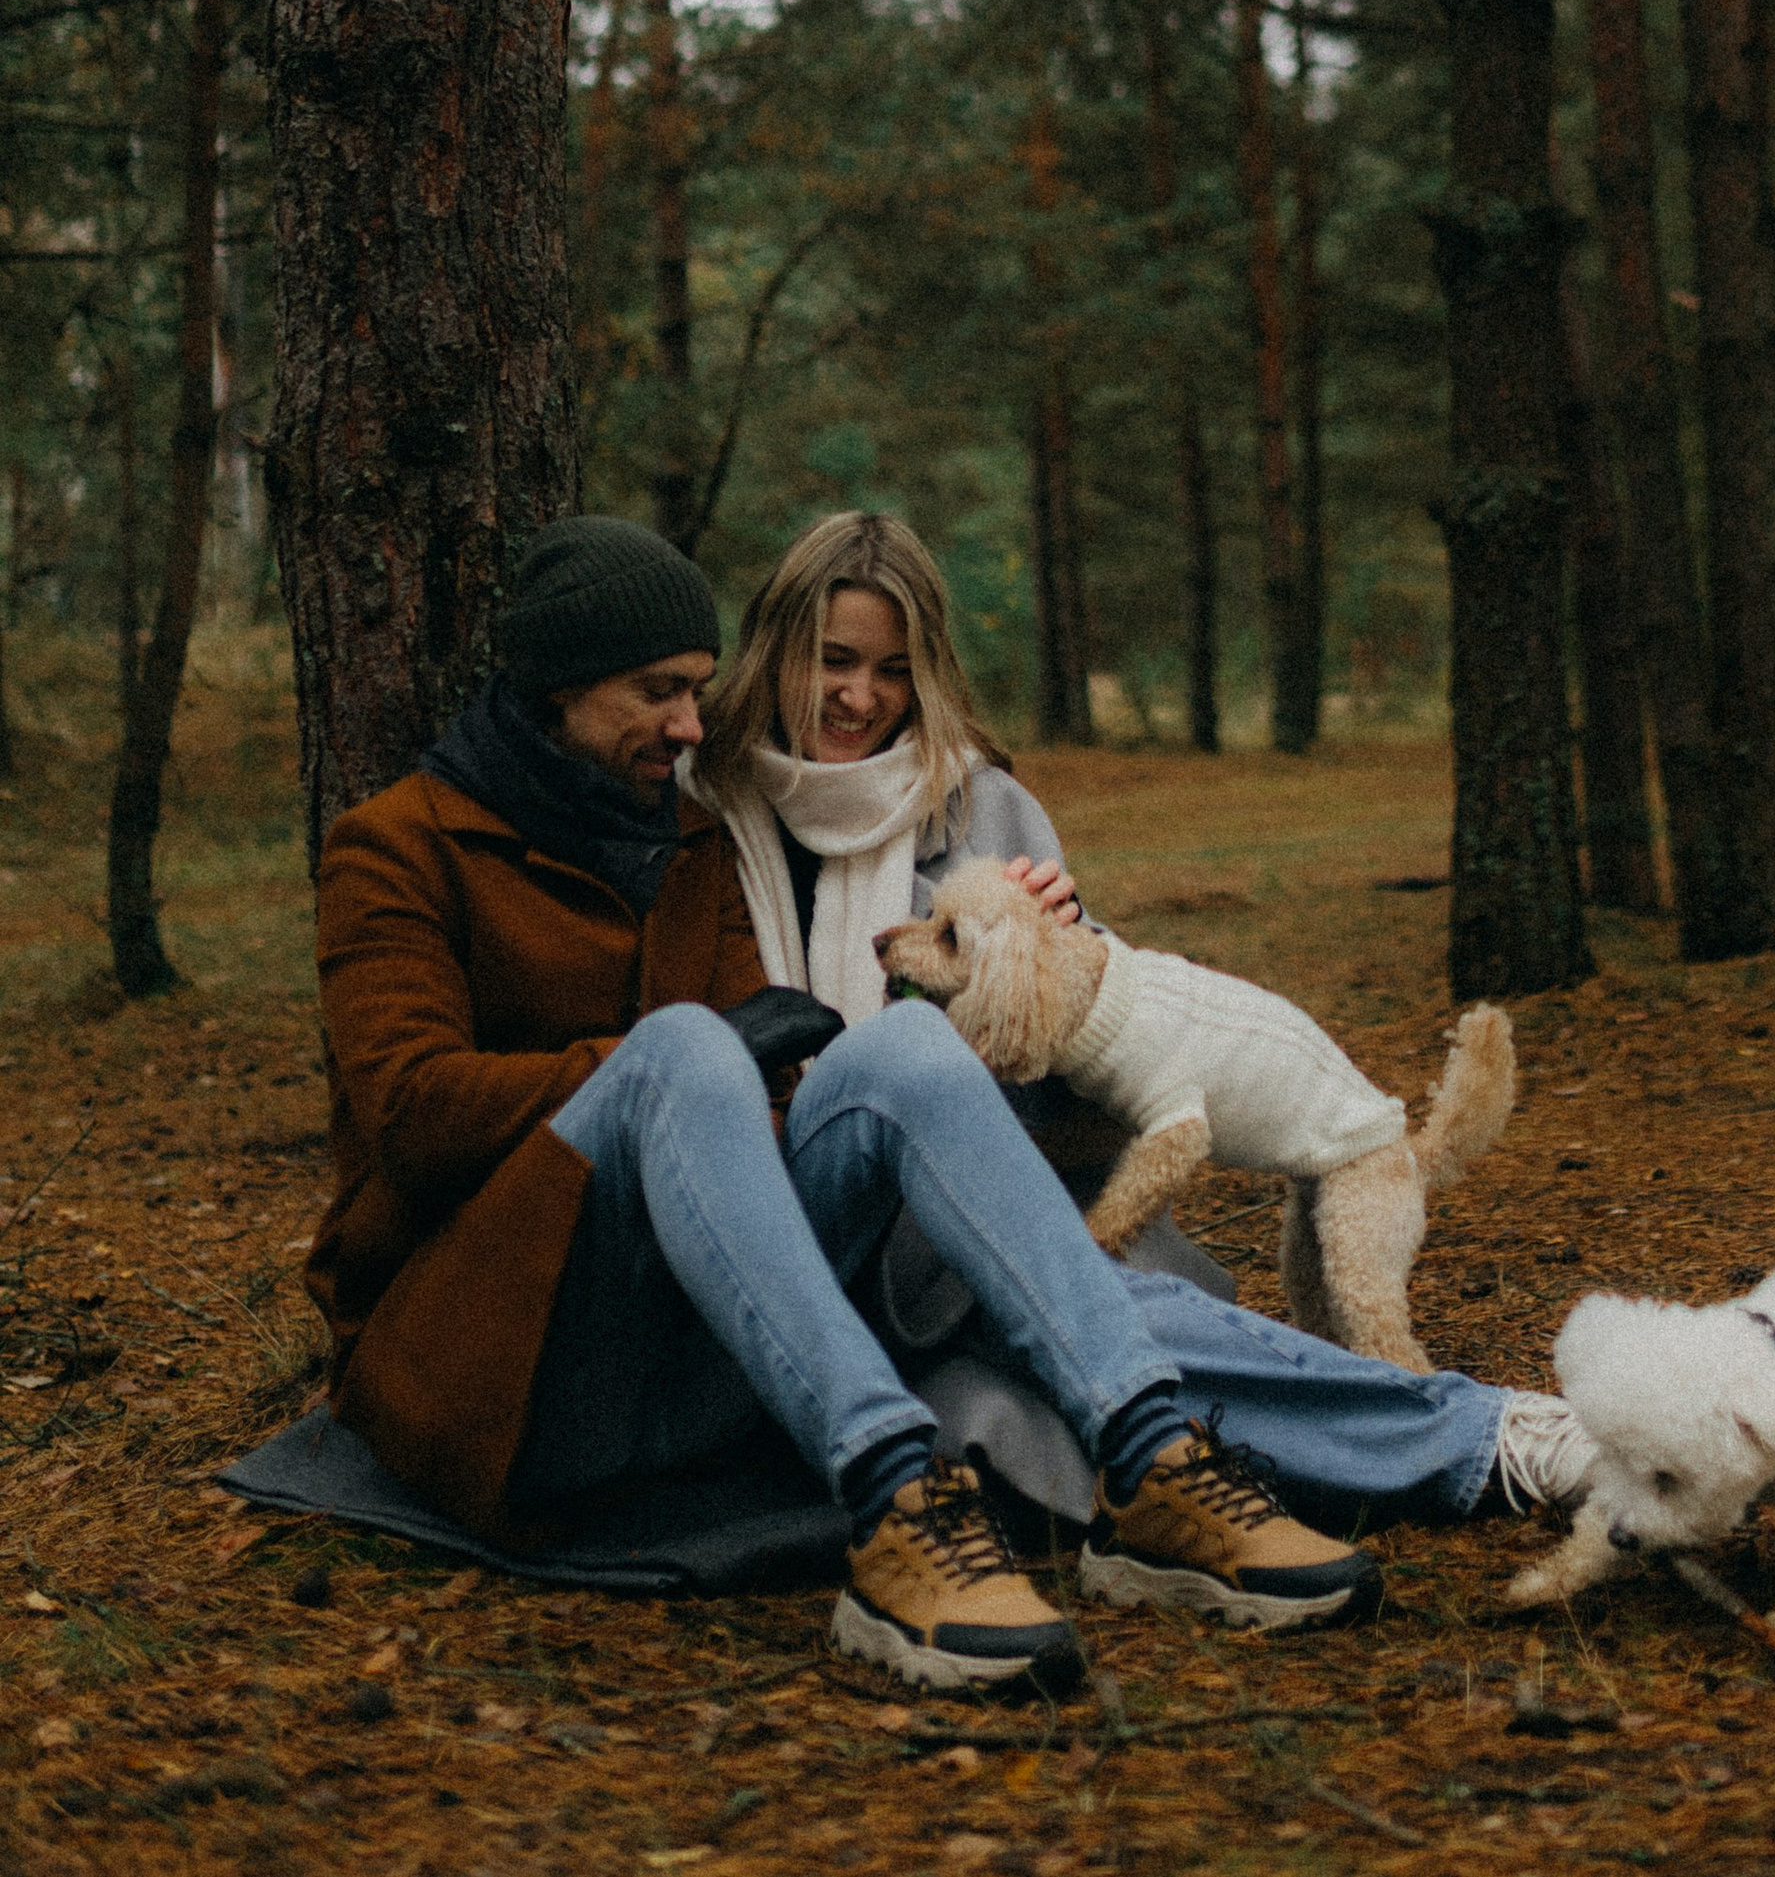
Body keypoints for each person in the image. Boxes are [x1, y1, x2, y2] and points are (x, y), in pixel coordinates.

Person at [308, 516, 1588, 1700]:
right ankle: (891, 1492)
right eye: (658, 691)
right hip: (518, 1349)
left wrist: (1053, 990)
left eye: (700, 689)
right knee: (693, 1052)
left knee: (907, 1063)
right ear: (554, 683)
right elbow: (412, 1112)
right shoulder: (401, 844)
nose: (691, 724)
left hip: (726, 1330)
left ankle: (1157, 1460)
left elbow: (800, 1094)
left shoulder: (692, 833)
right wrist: (656, 1060)